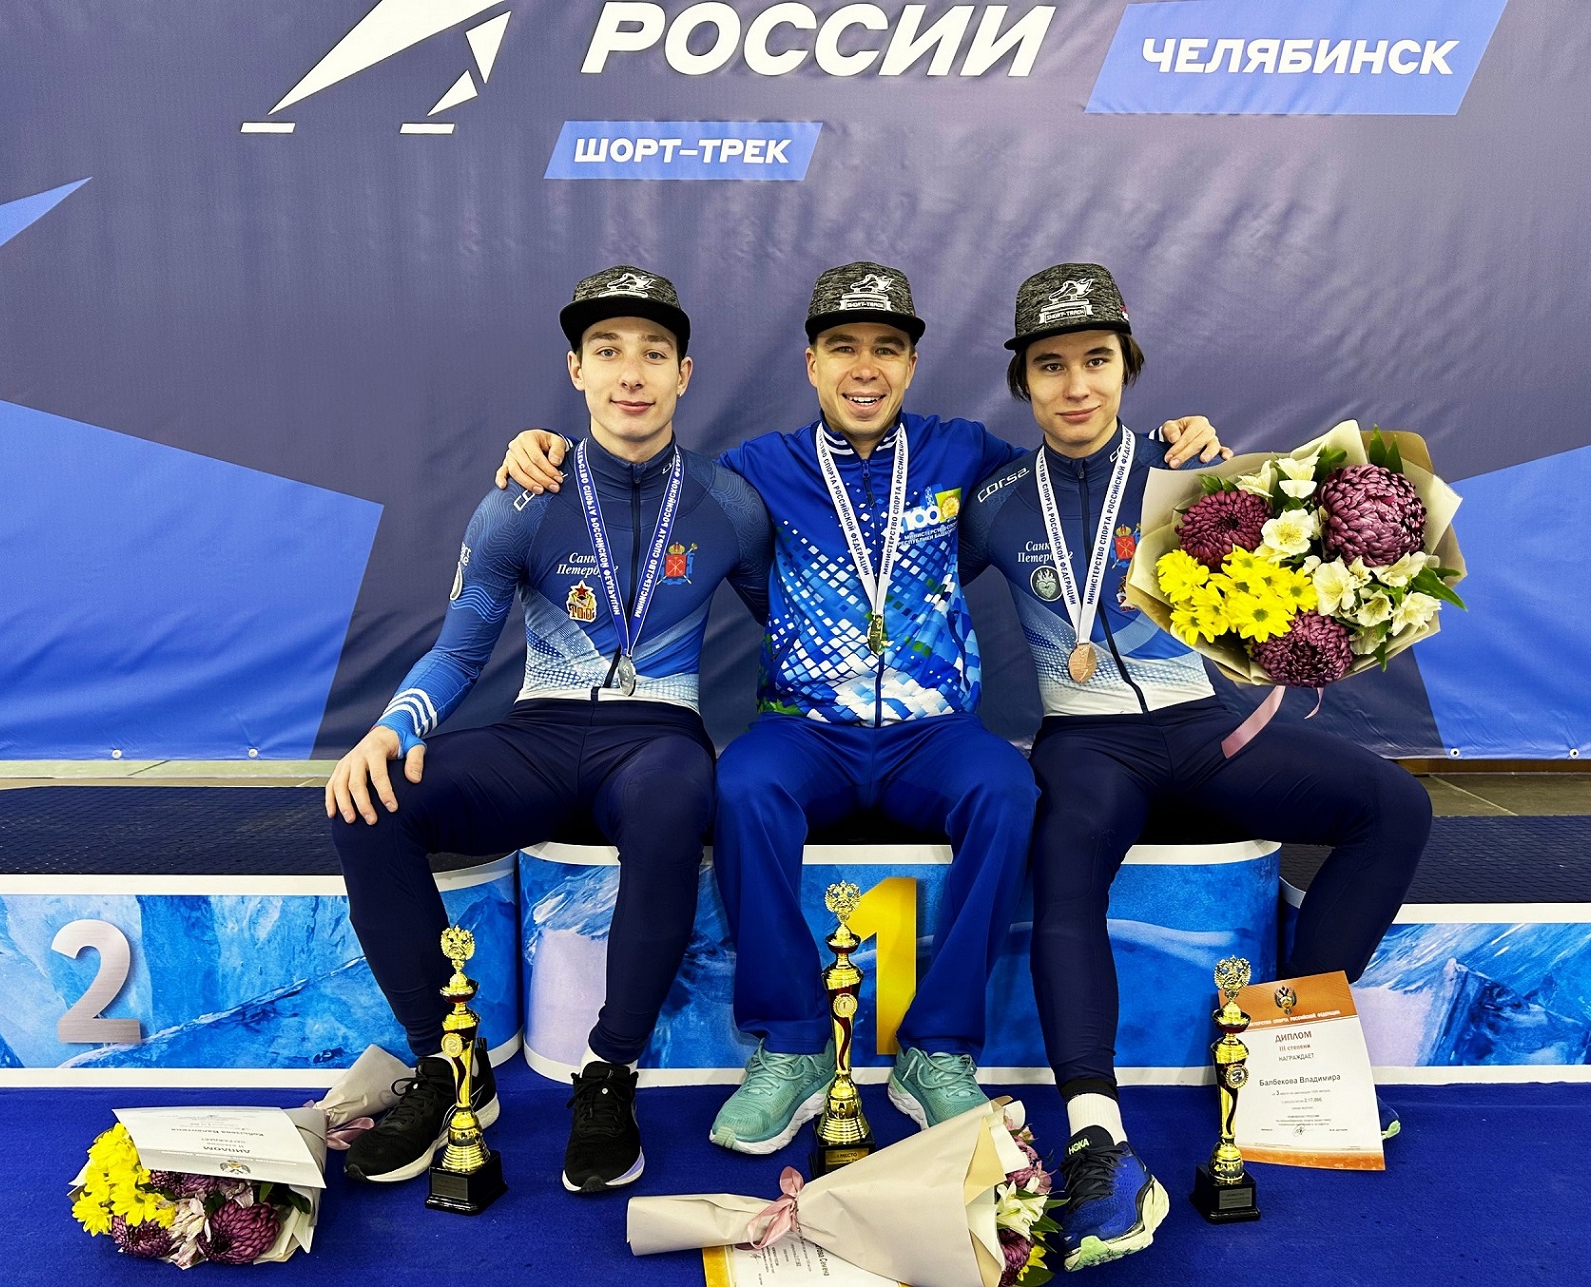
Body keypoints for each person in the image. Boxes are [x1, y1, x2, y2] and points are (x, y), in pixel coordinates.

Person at [495, 262, 1224, 1156]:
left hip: (935, 732)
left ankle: (938, 1049)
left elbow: (1078, 476)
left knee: (1008, 790)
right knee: (743, 787)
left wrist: (1173, 439)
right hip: (804, 730)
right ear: (812, 364)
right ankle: (793, 1046)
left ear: (912, 364)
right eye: (843, 347)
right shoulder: (756, 470)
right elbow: (646, 484)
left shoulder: (968, 456)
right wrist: (546, 446)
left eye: (887, 347)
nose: (865, 367)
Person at [960, 264, 1431, 1270]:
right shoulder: (993, 500)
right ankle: (1097, 1133)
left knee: (1392, 804)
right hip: (1086, 744)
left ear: (1126, 367)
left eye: (1096, 360)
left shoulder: (1191, 471)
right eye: (1050, 366)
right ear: (1023, 380)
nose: (1075, 385)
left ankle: (1290, 1048)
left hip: (1203, 731)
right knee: (1065, 864)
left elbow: (1286, 593)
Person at [327, 266, 771, 1195]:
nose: (631, 372)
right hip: (539, 730)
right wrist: (391, 727)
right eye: (607, 351)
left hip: (658, 738)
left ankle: (608, 1072)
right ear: (576, 370)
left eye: (654, 352)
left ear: (684, 373)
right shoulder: (522, 498)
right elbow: (459, 651)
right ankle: (450, 1062)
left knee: (675, 797)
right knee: (370, 803)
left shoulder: (729, 502)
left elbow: (796, 631)